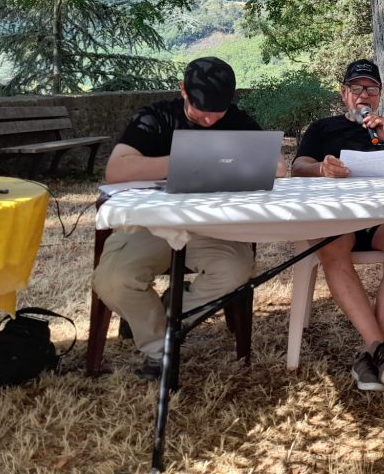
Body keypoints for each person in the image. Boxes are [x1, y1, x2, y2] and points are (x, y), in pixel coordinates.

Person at [93, 57, 287, 379]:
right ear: (183, 90)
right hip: (151, 225)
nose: (209, 120)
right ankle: (160, 347)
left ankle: (167, 321)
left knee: (235, 271)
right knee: (113, 279)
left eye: (218, 112)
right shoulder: (156, 117)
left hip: (212, 229)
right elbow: (116, 170)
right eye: (201, 109)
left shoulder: (237, 120)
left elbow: (279, 167)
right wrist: (183, 161)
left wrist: (228, 160)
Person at [291, 59, 384, 391]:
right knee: (331, 245)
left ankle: (369, 351)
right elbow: (298, 167)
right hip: (337, 219)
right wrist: (321, 169)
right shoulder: (323, 128)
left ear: (379, 95)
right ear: (344, 93)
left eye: (371, 89)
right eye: (356, 88)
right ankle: (378, 346)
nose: (363, 95)